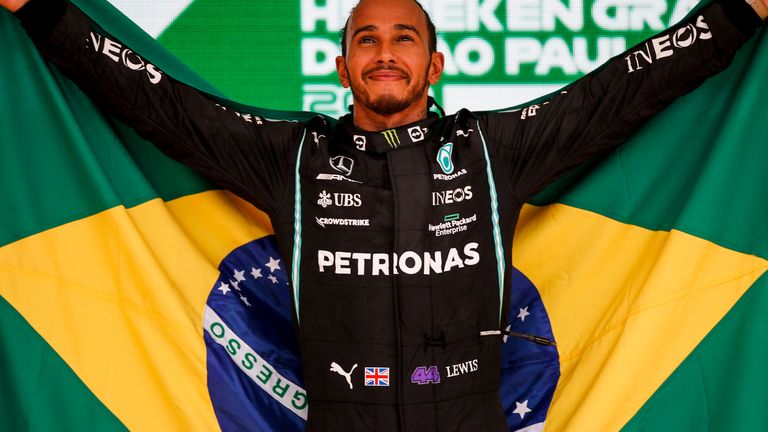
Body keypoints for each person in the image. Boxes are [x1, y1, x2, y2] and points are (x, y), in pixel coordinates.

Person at [3, 0, 766, 430]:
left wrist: (735, 13)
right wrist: (41, 12)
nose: (385, 51)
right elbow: (156, 102)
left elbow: (623, 89)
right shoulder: (291, 157)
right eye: (366, 39)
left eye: (405, 37)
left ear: (434, 65)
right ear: (343, 67)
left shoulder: (492, 152)